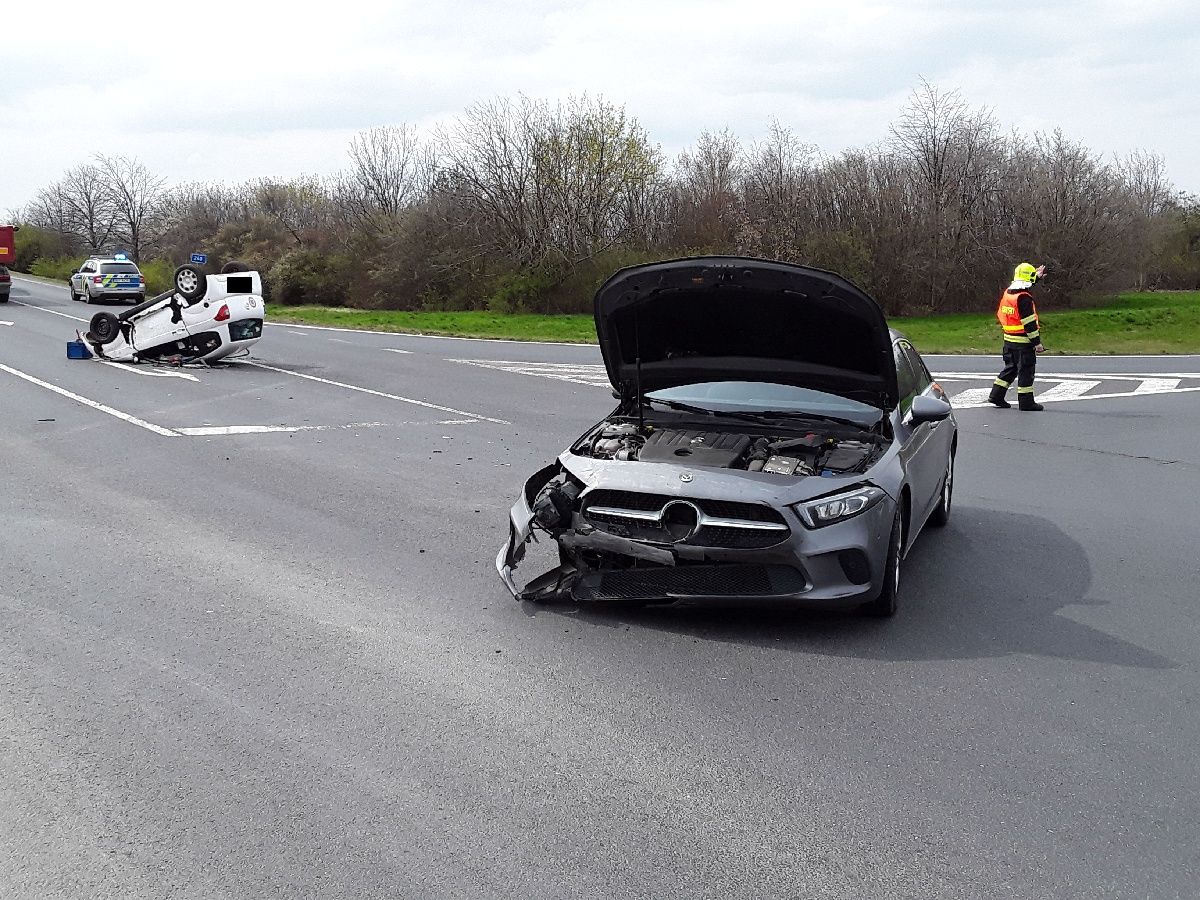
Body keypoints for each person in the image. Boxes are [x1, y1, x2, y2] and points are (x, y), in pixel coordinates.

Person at [989, 262, 1047, 411]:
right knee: (1026, 371)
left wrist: (1036, 278)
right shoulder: (1024, 298)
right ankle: (1026, 402)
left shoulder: (1009, 292)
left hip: (1008, 339)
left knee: (1011, 368)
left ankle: (996, 395)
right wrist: (1037, 343)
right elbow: (1029, 323)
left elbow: (1024, 284)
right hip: (1023, 341)